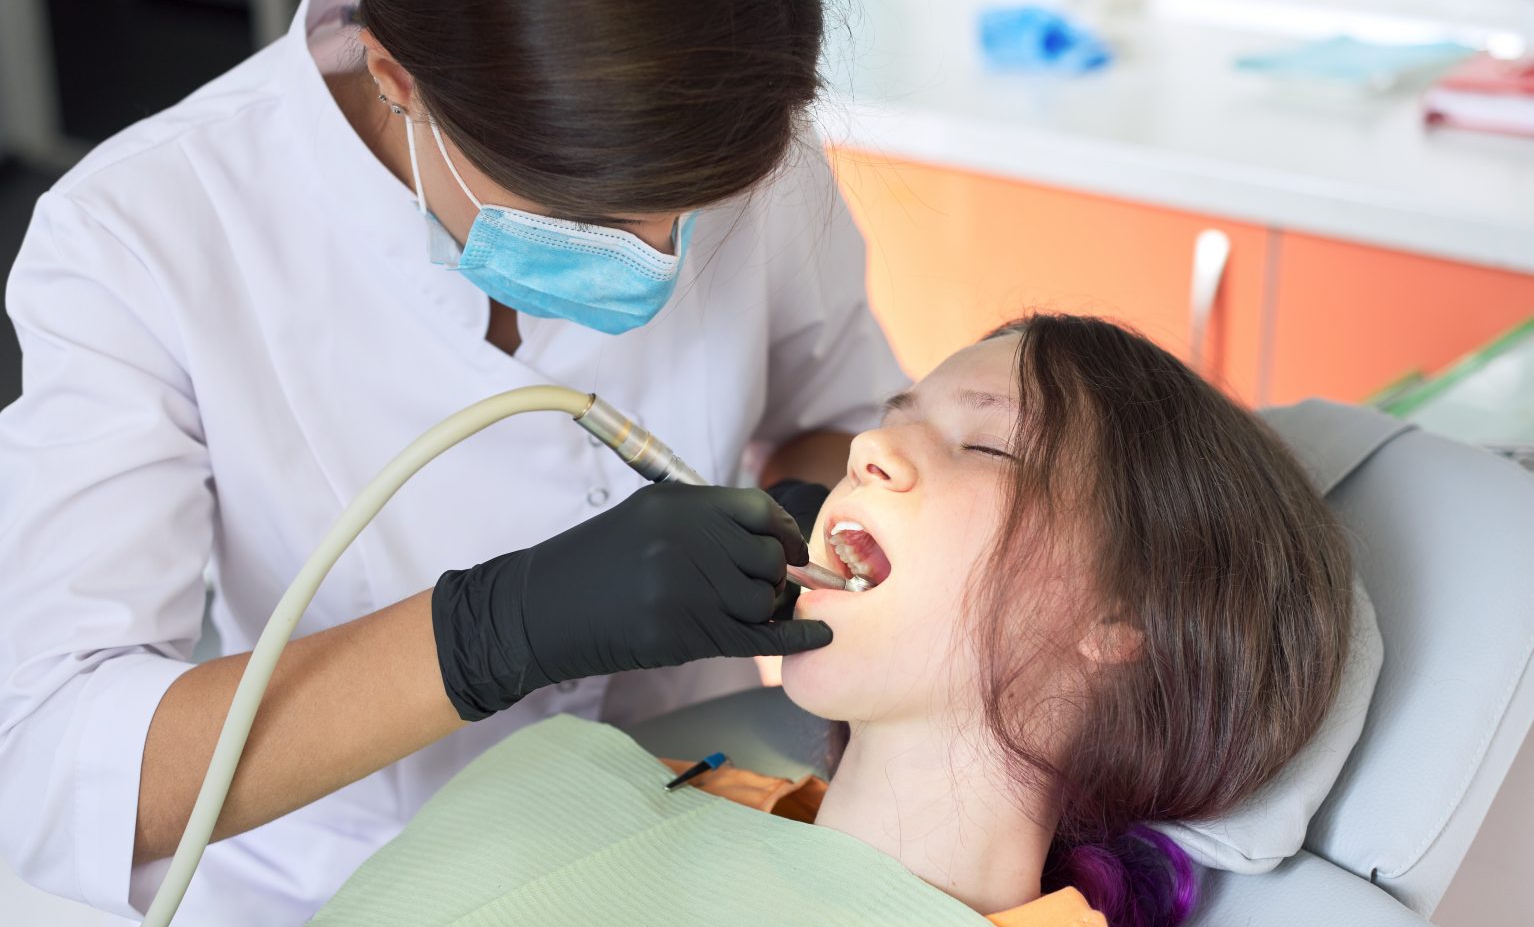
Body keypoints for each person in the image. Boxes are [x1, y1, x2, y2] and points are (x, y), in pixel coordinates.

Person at [0, 0, 904, 922]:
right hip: (347, 887)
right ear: (395, 78)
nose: (657, 254)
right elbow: (55, 761)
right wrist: (491, 631)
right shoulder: (141, 236)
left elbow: (840, 411)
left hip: (693, 831)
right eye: (588, 213)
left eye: (691, 214)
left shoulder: (714, 108)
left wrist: (811, 508)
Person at [318, 314, 1355, 927]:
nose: (864, 451)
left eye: (988, 447)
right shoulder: (579, 771)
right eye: (896, 414)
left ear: (1126, 614)